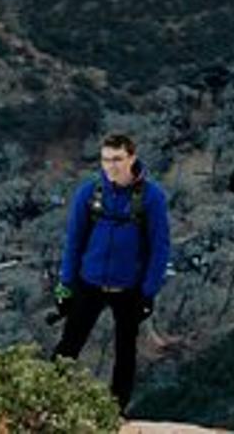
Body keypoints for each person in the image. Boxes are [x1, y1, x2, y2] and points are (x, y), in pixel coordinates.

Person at [51, 132, 171, 410]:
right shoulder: (89, 192)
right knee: (68, 347)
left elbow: (160, 248)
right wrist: (64, 286)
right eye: (106, 160)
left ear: (132, 158)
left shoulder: (151, 197)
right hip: (88, 283)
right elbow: (74, 241)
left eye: (117, 159)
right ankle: (44, 397)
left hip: (128, 288)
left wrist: (148, 293)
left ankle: (116, 414)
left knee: (125, 353)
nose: (111, 166)